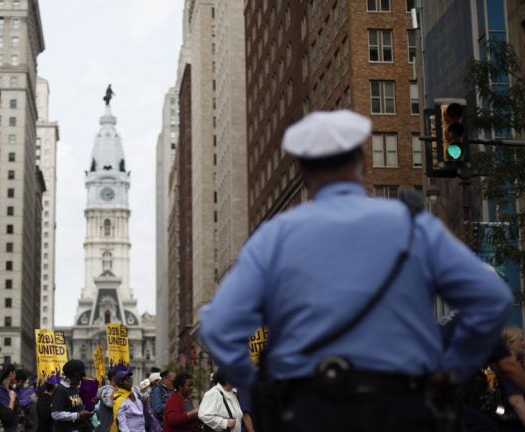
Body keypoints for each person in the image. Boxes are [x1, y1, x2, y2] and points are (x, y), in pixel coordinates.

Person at [199, 110, 514, 432]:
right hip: (404, 408)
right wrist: (451, 371)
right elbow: (492, 298)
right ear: (363, 163)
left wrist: (255, 387)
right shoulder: (413, 227)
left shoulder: (273, 238)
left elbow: (219, 325)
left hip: (309, 412)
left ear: (303, 174)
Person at [51, 360, 92, 432]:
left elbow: (75, 406)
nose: (80, 381)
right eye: (78, 378)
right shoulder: (61, 389)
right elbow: (55, 414)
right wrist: (78, 415)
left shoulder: (74, 388)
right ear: (72, 376)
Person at [0, 364, 19, 432]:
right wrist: (12, 400)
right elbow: (6, 417)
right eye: (14, 372)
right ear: (10, 373)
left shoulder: (11, 390)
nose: (15, 375)